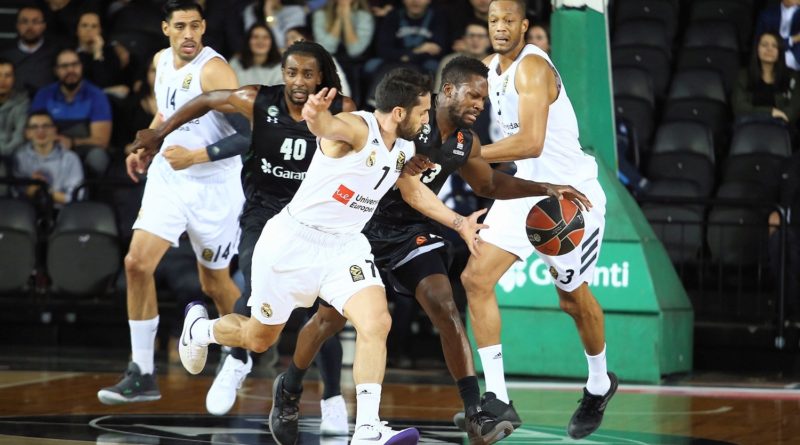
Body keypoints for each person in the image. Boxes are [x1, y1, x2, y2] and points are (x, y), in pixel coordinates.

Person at [269, 55, 593, 445]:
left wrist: (546, 188)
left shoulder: (464, 141)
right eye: (474, 95)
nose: (480, 104)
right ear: (450, 90)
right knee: (328, 321)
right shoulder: (411, 121)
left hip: (413, 232)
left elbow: (489, 185)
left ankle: (475, 410)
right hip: (363, 228)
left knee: (444, 304)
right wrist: (456, 221)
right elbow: (394, 171)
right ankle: (289, 387)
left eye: (486, 99)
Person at [175, 67, 487, 445]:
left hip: (344, 246)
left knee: (377, 322)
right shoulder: (358, 128)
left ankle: (368, 428)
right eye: (422, 112)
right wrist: (315, 116)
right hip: (292, 244)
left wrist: (459, 223)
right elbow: (327, 127)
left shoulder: (404, 148)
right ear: (400, 113)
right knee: (258, 339)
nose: (427, 121)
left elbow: (414, 193)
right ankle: (202, 330)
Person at [129, 40, 357, 432]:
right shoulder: (257, 100)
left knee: (322, 312)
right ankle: (237, 359)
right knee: (256, 289)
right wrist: (160, 132)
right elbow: (207, 99)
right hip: (263, 214)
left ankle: (332, 396)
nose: (298, 82)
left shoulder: (343, 109)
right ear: (281, 74)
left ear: (322, 77)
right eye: (291, 73)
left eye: (307, 74)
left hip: (315, 217)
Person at [456, 1, 616, 440]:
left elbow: (529, 142)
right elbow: (455, 97)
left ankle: (600, 384)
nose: (501, 28)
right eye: (494, 21)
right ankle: (499, 400)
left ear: (525, 26)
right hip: (527, 190)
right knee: (476, 279)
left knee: (571, 300)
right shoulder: (490, 67)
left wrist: (470, 153)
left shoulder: (532, 69)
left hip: (567, 197)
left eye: (509, 20)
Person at [96, 0, 243, 406]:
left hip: (214, 186)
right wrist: (148, 143)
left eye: (196, 26)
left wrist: (195, 156)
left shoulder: (214, 70)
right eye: (180, 26)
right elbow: (167, 110)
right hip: (168, 179)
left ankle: (241, 351)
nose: (189, 34)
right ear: (166, 29)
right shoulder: (162, 61)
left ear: (204, 27)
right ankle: (141, 371)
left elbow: (250, 136)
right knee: (136, 263)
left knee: (214, 283)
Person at [30, 48, 112, 177]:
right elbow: (32, 129)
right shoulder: (44, 94)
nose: (70, 70)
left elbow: (101, 140)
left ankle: (90, 194)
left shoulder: (96, 95)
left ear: (81, 67)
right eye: (64, 66)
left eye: (74, 65)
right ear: (56, 70)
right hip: (50, 146)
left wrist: (72, 142)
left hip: (83, 149)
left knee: (98, 157)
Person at [12, 110, 83, 206]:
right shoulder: (19, 158)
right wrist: (31, 190)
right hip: (25, 213)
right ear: (27, 133)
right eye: (34, 127)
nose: (40, 131)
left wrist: (45, 190)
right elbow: (15, 196)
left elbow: (76, 197)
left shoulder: (70, 159)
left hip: (61, 213)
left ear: (55, 130)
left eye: (46, 126)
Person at [732, 31, 800, 126]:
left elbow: (794, 110)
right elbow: (739, 107)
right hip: (748, 128)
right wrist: (770, 112)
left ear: (780, 51)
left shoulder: (792, 76)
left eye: (774, 46)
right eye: (764, 45)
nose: (769, 49)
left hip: (781, 129)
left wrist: (777, 118)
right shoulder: (744, 75)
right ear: (757, 49)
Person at [75, 11, 130, 98]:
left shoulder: (110, 53)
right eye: (84, 25)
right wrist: (107, 90)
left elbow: (105, 82)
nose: (89, 30)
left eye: (94, 26)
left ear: (100, 30)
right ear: (77, 30)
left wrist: (97, 54)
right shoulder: (71, 55)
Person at [0, 59, 29, 182]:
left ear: (14, 78)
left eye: (8, 75)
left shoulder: (22, 102)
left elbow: (20, 136)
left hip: (12, 153)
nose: (3, 80)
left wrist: (2, 153)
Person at [230, 23, 284, 87]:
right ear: (248, 41)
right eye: (255, 37)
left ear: (272, 42)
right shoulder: (235, 63)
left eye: (265, 37)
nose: (260, 41)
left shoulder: (280, 67)